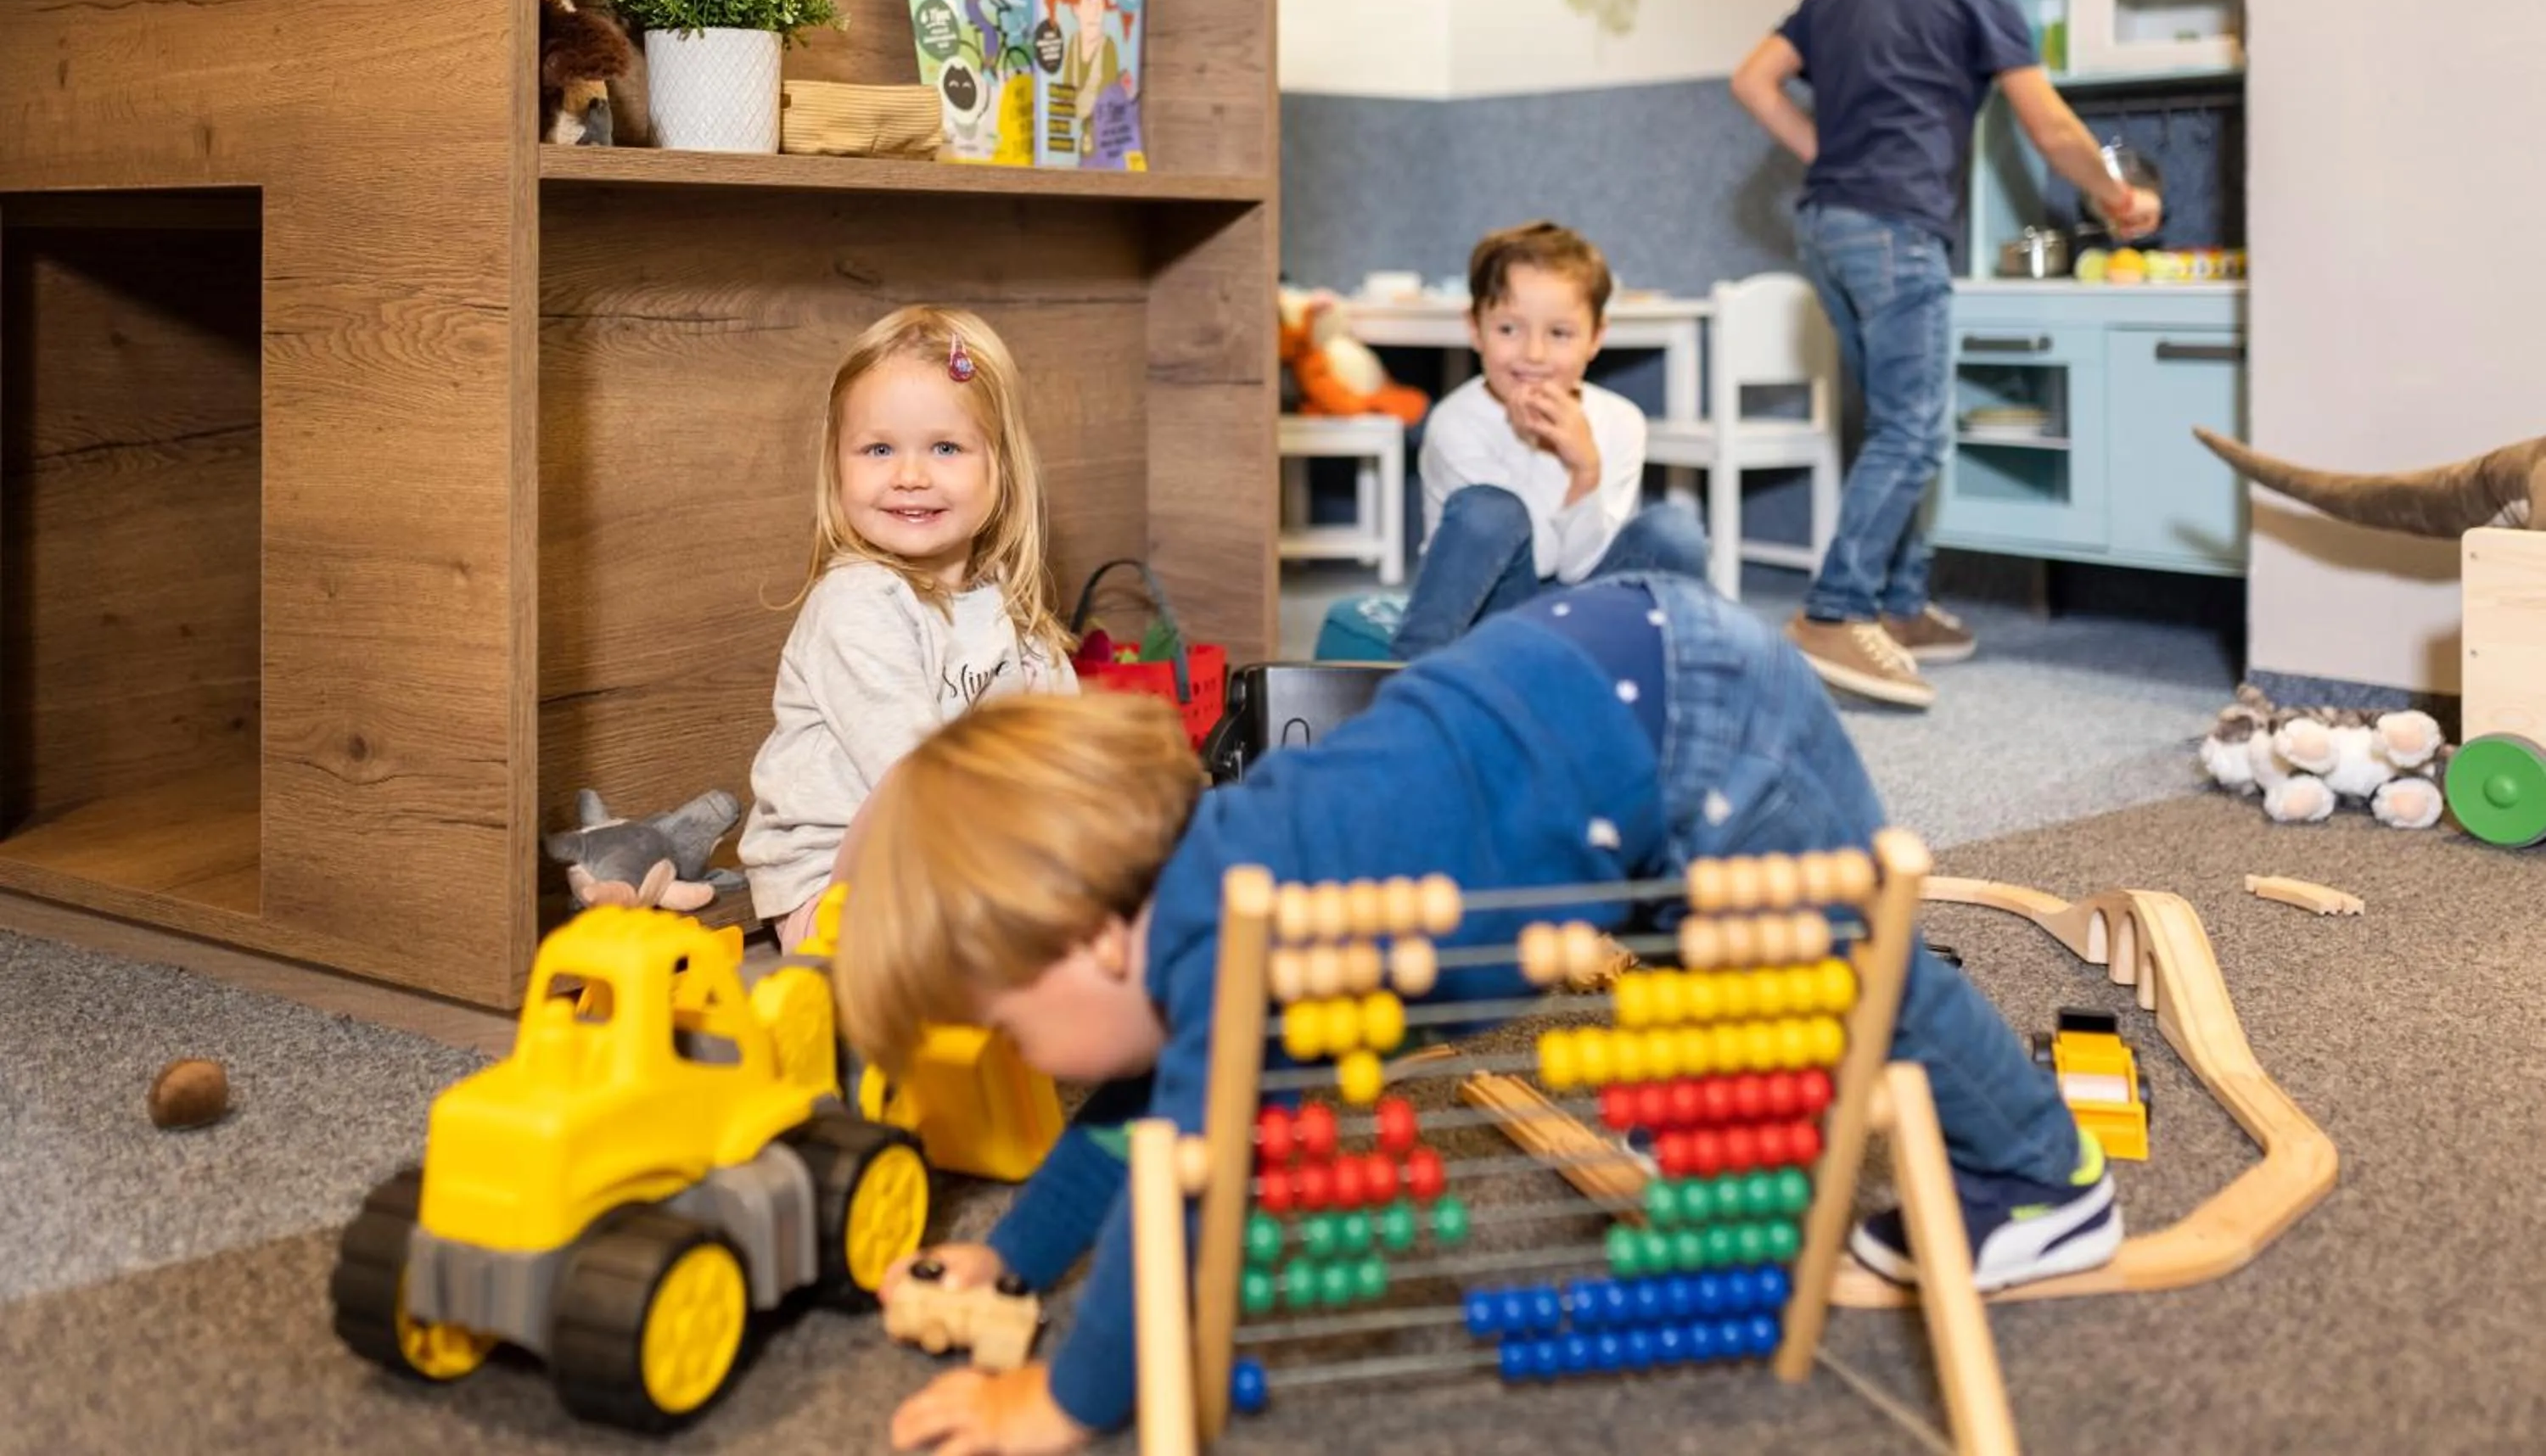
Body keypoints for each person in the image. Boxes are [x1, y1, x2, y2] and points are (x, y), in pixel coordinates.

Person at [837, 571, 2120, 1455]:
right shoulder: (1191, 908)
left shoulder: (1237, 935)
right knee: (1708, 986)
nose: (1022, 1058)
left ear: (1098, 938)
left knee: (1851, 973)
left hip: (1697, 717)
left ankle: (2046, 1172)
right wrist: (1012, 1257)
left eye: (1009, 1025)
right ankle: (1745, 1156)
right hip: (1592, 686)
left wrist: (1060, 1405)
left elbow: (1183, 1191)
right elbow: (1136, 1112)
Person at [1730, 0, 2161, 709]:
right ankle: (1835, 608)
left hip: (1827, 225)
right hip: (1895, 228)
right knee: (1915, 427)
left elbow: (1753, 79)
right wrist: (2116, 195)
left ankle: (1899, 601)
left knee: (1891, 417)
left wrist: (1823, 153)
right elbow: (2046, 124)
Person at [736, 305, 1076, 950]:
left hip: (961, 853)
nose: (910, 476)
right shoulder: (857, 601)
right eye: (879, 449)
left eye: (945, 448)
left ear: (999, 470)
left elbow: (1066, 749)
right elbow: (913, 779)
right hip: (837, 886)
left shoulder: (1009, 609)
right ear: (838, 467)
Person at [1389, 220, 1712, 660]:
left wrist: (1585, 470)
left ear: (1596, 337)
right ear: (1475, 328)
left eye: (1559, 333)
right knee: (1491, 509)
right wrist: (1536, 444)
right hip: (1490, 620)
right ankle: (1408, 681)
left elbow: (1581, 568)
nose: (1534, 355)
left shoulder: (1620, 421)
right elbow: (1538, 561)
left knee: (1675, 531)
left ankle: (1662, 680)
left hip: (1586, 622)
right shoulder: (1456, 423)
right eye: (1509, 330)